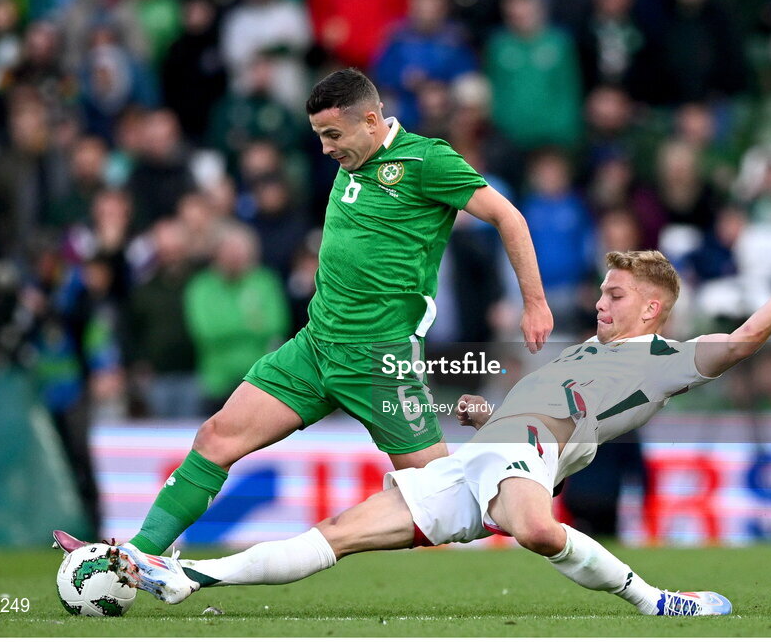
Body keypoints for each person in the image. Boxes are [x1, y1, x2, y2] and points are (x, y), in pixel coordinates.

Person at [107, 227, 771, 616]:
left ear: (653, 307)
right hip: (487, 458)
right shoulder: (582, 353)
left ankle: (655, 600)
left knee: (535, 530)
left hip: (523, 460)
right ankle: (182, 577)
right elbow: (528, 412)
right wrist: (485, 412)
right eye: (600, 293)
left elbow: (744, 342)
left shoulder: (664, 357)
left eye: (613, 295)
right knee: (336, 534)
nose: (599, 304)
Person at [53, 68, 552, 556]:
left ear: (373, 121)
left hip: (380, 362)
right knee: (216, 436)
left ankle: (527, 486)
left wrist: (533, 303)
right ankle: (135, 558)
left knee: (444, 498)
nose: (325, 149)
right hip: (313, 348)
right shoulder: (351, 160)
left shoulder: (427, 160)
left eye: (333, 134)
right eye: (318, 136)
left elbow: (509, 216)